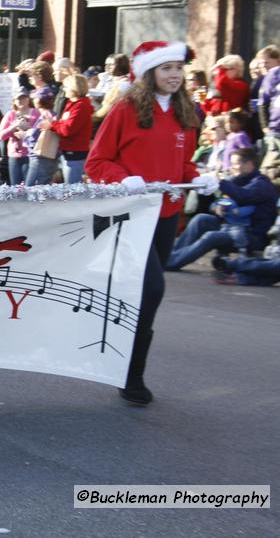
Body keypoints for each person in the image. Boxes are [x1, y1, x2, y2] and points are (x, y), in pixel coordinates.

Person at [85, 40, 216, 406]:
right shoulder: (126, 109)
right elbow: (97, 162)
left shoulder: (186, 111)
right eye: (167, 68)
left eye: (179, 69)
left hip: (167, 215)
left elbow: (183, 163)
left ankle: (127, 366)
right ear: (149, 73)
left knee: (145, 295)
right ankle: (131, 375)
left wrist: (199, 176)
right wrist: (123, 178)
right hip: (132, 215)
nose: (175, 75)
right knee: (152, 289)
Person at [167, 147, 277, 271]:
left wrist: (220, 182)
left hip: (251, 235)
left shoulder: (262, 184)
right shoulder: (237, 180)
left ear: (249, 164)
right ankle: (169, 256)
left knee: (212, 236)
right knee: (201, 219)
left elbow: (243, 196)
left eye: (236, 163)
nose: (232, 167)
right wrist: (217, 207)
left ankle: (171, 263)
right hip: (231, 228)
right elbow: (217, 203)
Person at [40, 74, 93, 184]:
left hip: (75, 154)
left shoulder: (81, 106)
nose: (64, 89)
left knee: (72, 189)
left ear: (74, 88)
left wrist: (52, 124)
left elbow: (68, 129)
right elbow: (65, 124)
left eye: (66, 87)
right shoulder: (72, 104)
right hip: (67, 152)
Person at [0, 91, 39, 185]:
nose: (21, 101)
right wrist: (14, 127)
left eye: (24, 98)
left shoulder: (36, 113)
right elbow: (1, 136)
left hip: (30, 154)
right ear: (14, 101)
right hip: (14, 155)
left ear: (28, 99)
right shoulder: (10, 114)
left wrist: (28, 130)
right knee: (15, 187)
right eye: (18, 99)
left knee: (29, 186)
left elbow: (40, 132)